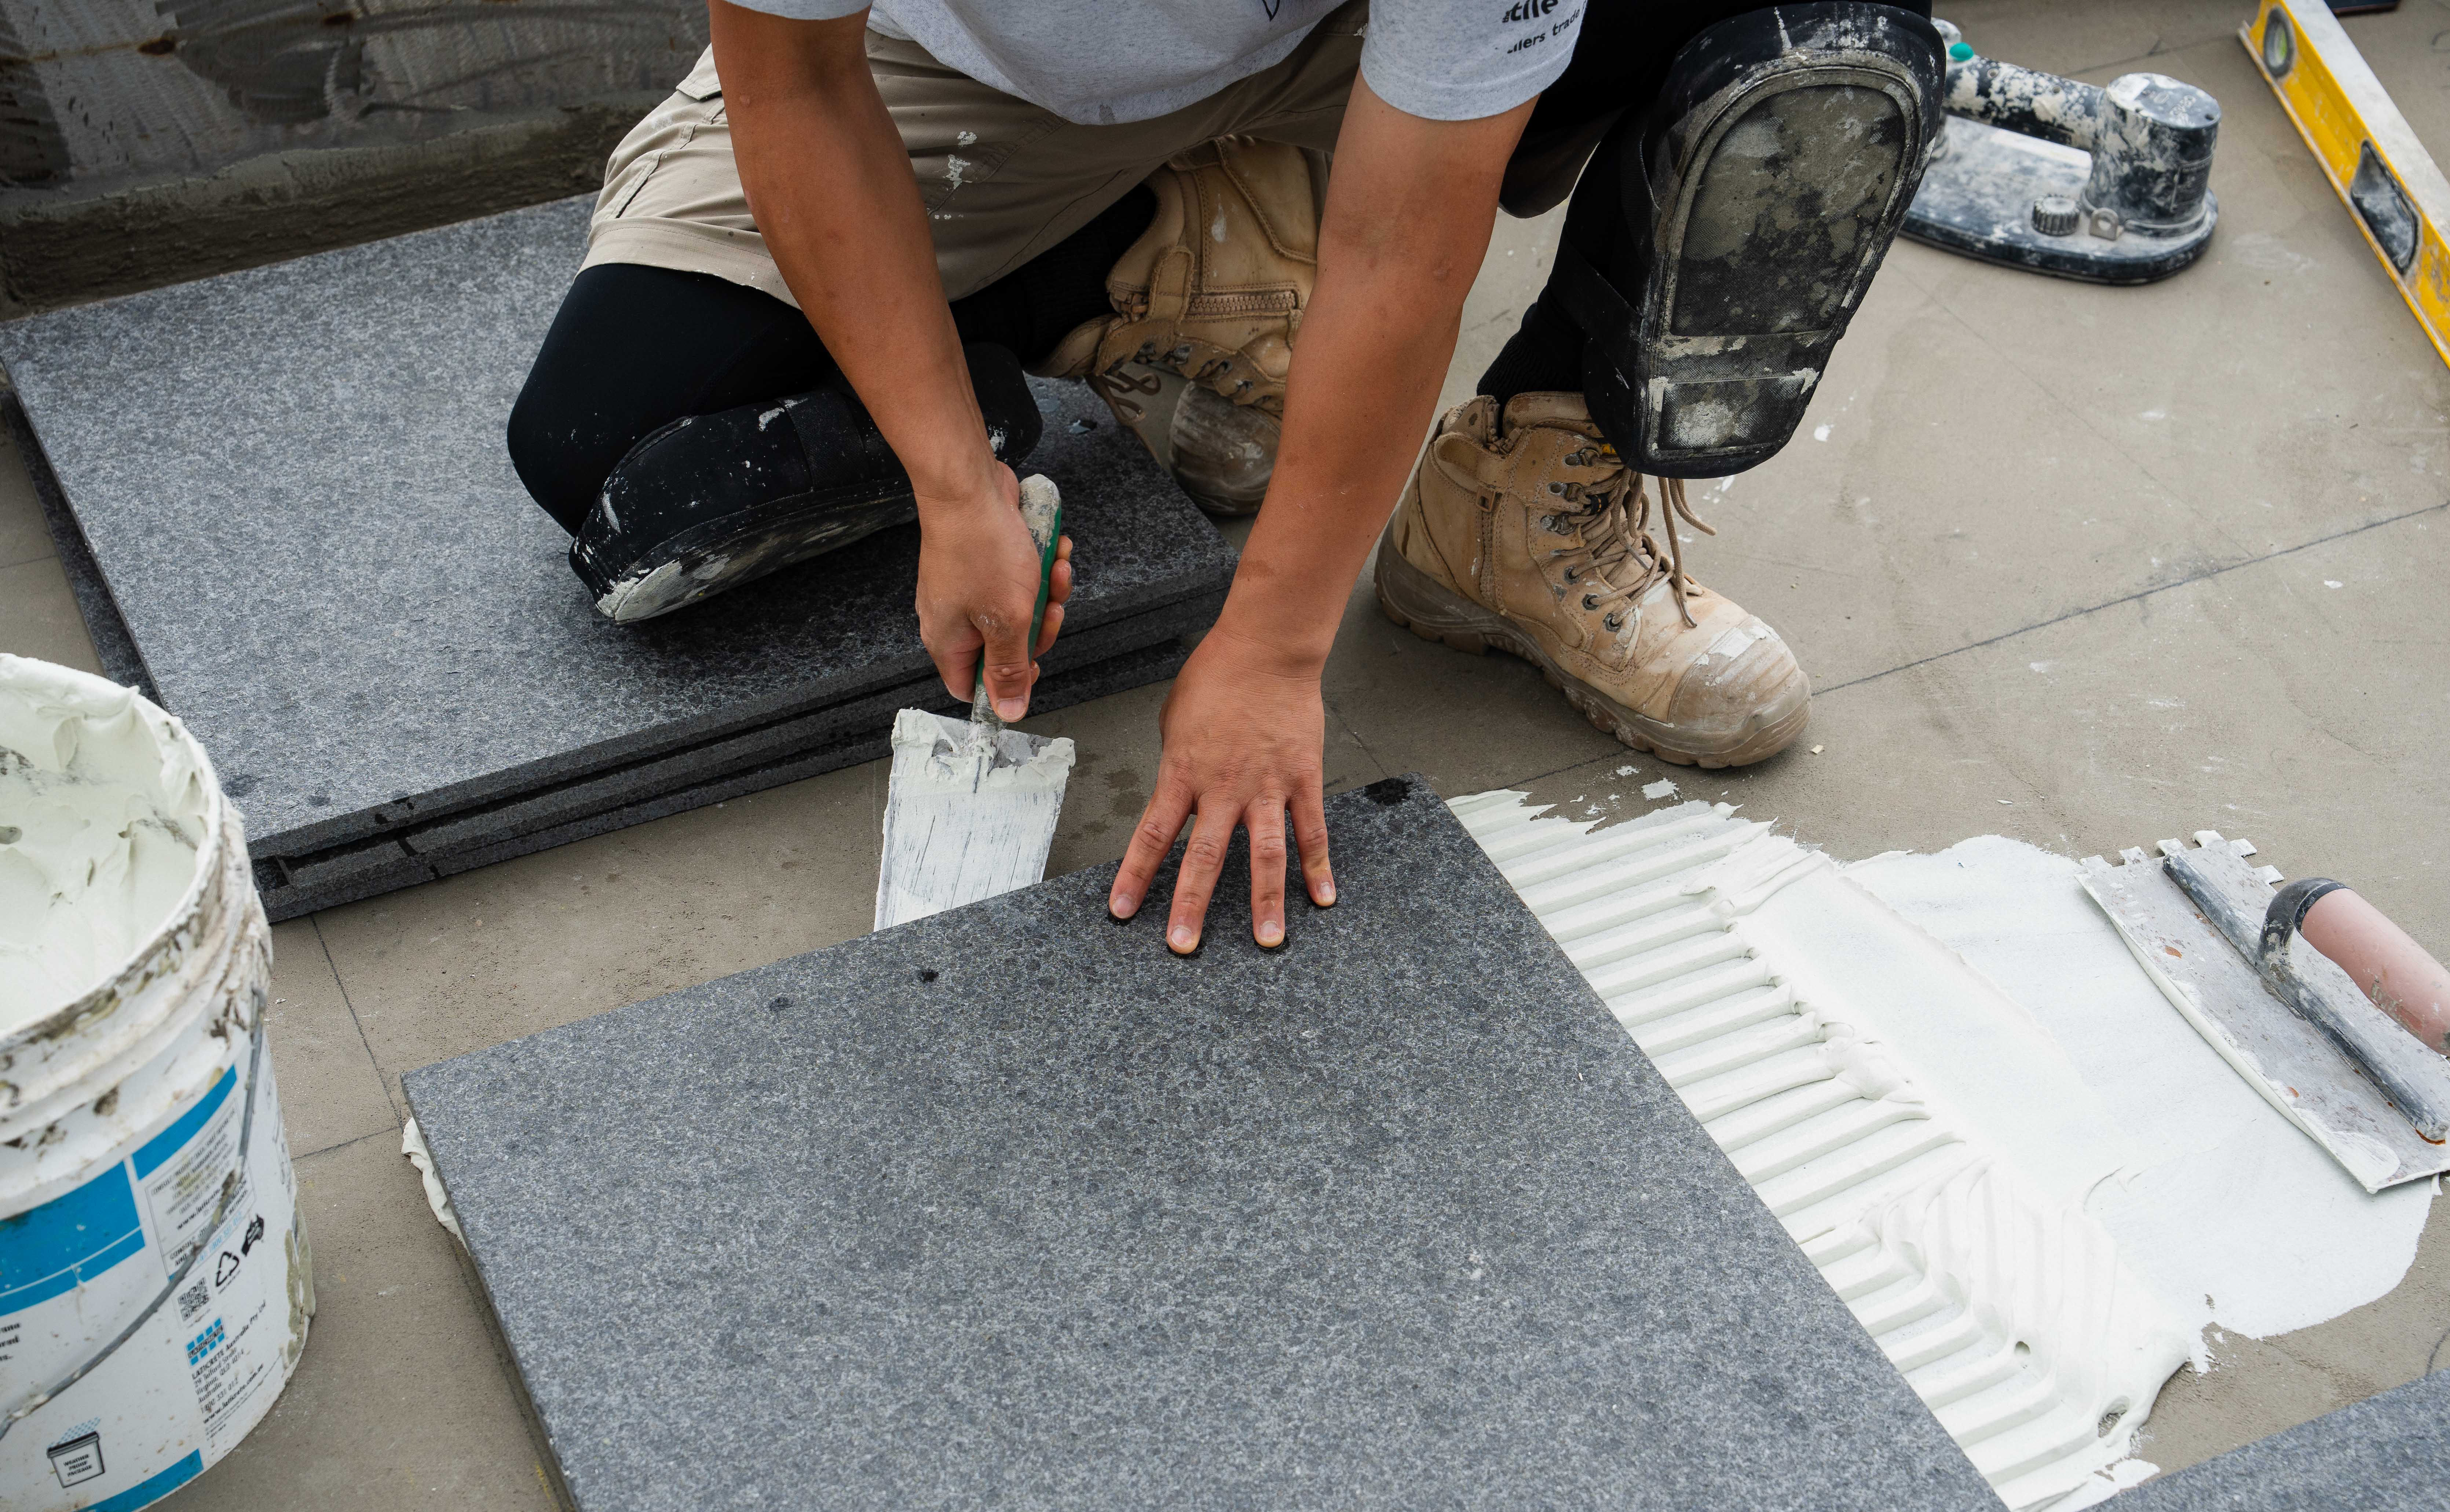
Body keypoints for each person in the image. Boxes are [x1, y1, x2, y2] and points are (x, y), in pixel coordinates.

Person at [507, 0, 1944, 953]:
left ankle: (1516, 480)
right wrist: (948, 476)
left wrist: (1271, 648)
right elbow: (798, 87)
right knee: (606, 445)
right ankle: (1167, 253)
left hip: (1342, 42)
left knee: (1826, 19)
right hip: (958, 71)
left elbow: (1402, 245)